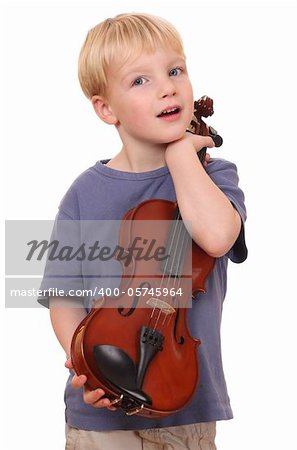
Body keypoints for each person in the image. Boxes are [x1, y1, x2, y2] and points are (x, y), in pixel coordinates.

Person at [39, 12, 247, 450]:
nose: (167, 87)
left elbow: (215, 236)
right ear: (106, 109)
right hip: (99, 414)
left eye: (175, 71)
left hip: (184, 398)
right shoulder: (83, 193)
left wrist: (180, 158)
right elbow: (63, 298)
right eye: (140, 81)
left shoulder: (216, 176)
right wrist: (86, 363)